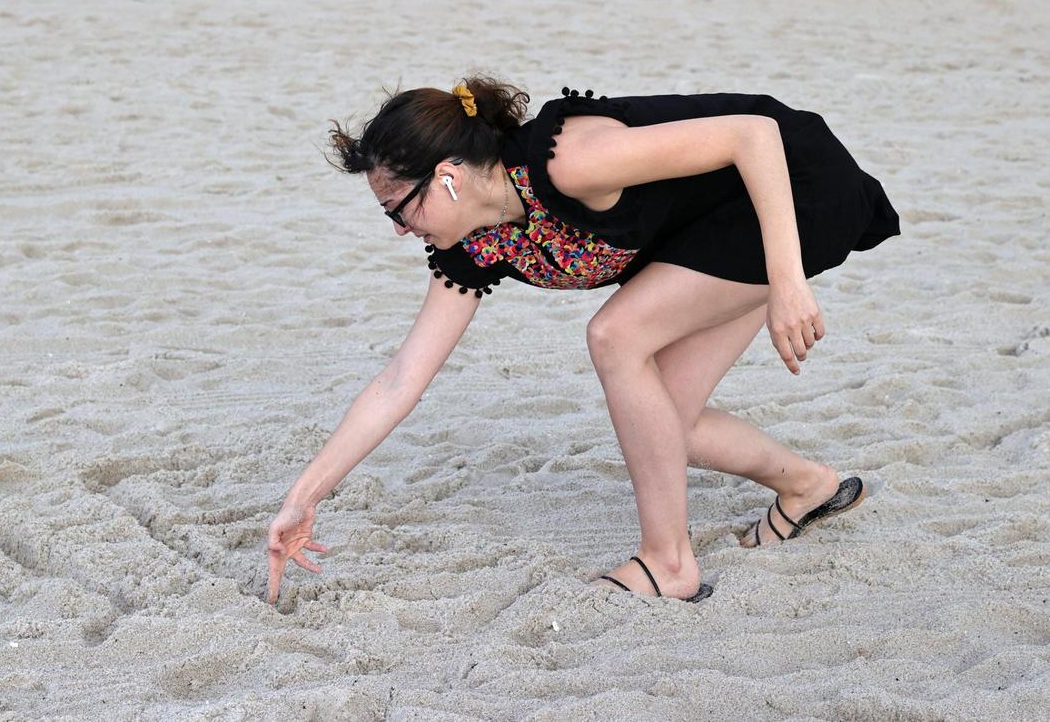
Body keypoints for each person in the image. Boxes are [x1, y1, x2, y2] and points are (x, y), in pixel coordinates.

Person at [265, 76, 899, 603]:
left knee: (616, 334)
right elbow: (401, 380)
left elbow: (753, 134)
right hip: (711, 225)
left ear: (449, 176)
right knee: (663, 426)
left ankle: (669, 564)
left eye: (397, 208)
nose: (399, 229)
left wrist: (787, 284)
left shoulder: (568, 161)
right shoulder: (476, 244)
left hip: (794, 189)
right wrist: (303, 497)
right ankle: (810, 487)